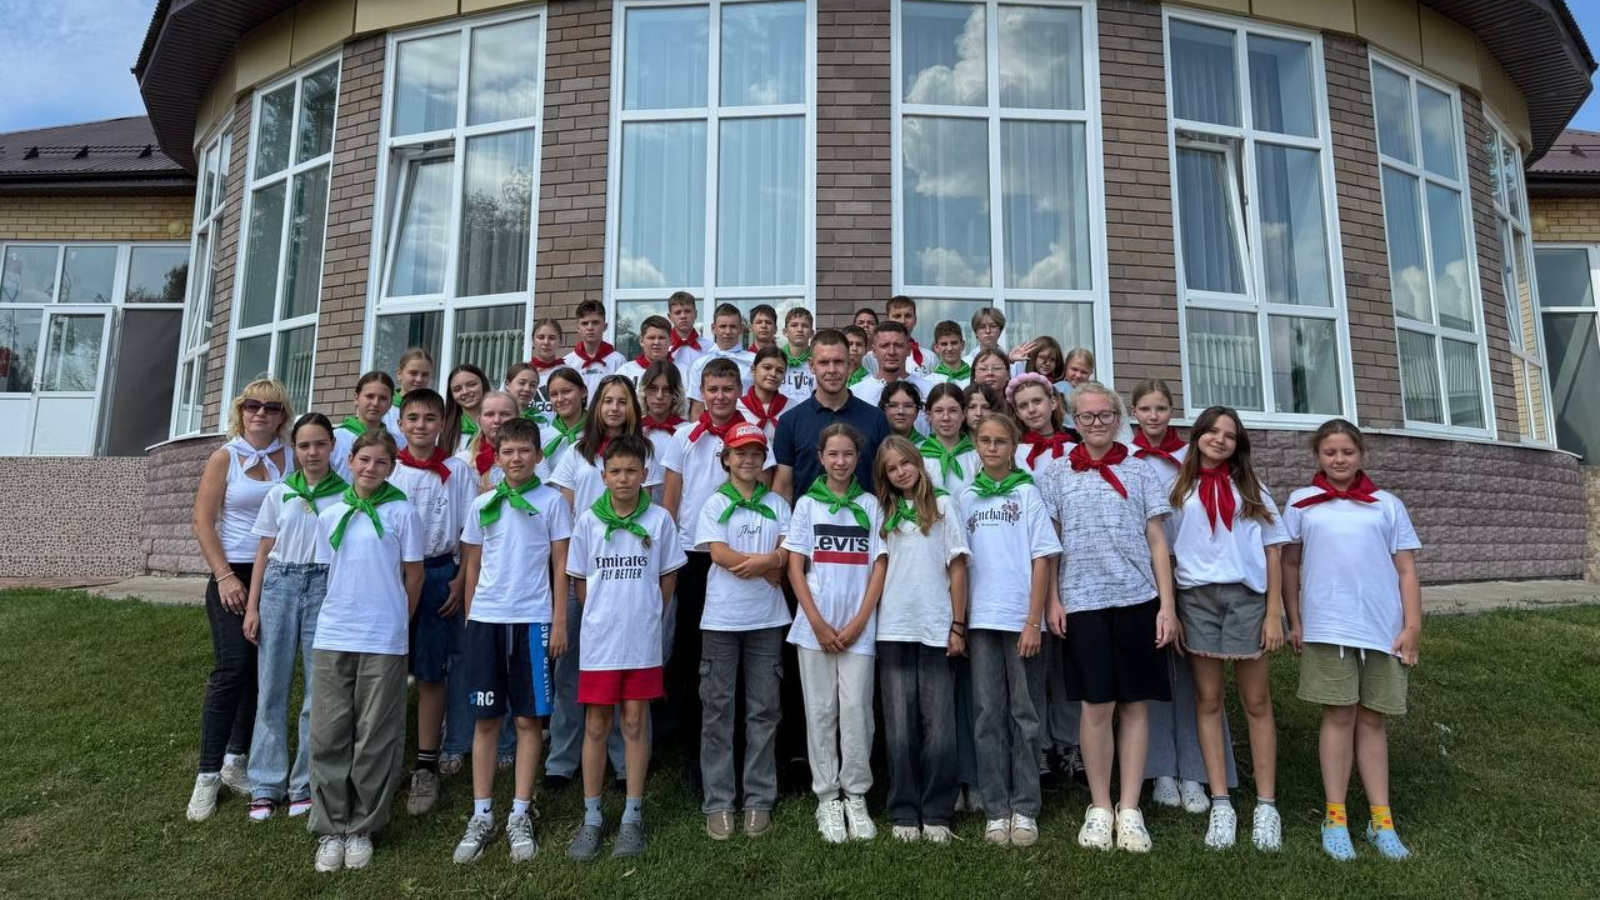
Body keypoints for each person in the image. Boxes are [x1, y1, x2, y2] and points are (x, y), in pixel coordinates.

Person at [1037, 382, 1179, 854]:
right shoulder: (1056, 473)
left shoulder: (1139, 470)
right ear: (1073, 421)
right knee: (1096, 705)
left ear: (1119, 419)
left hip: (1137, 599)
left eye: (1104, 415)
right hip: (1082, 603)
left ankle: (1130, 807)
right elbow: (1050, 544)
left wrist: (1166, 606)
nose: (1096, 423)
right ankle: (1100, 805)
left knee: (1134, 704)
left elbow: (1157, 541)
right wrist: (1052, 600)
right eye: (1086, 416)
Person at [1282, 419, 1422, 862]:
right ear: (1318, 456)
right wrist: (1294, 619)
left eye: (1347, 451)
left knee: (1373, 719)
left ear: (1361, 454)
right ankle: (1336, 816)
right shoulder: (1302, 502)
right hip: (1328, 627)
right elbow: (1289, 565)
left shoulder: (1387, 505)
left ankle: (1381, 819)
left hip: (1381, 629)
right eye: (1330, 452)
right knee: (1339, 714)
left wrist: (1412, 626)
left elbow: (1406, 570)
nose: (1339, 459)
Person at [452, 417, 573, 865]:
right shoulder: (483, 503)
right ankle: (481, 814)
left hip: (533, 620)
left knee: (527, 720)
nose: (516, 458)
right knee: (486, 720)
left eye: (524, 451)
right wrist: (470, 620)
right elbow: (473, 565)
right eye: (508, 452)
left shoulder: (552, 502)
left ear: (539, 456)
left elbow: (560, 565)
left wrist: (559, 621)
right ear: (496, 458)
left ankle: (520, 812)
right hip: (487, 620)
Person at [1169, 406, 1288, 851]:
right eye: (1212, 431)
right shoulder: (1178, 489)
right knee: (1208, 699)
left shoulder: (1252, 488)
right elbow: (1169, 550)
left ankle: (1266, 805)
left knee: (1256, 701)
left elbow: (1274, 549)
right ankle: (1221, 802)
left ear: (1239, 444)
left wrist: (1274, 612)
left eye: (1230, 435)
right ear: (1198, 435)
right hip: (1196, 600)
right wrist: (1171, 610)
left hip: (1246, 599)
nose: (1220, 440)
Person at [565, 435, 687, 861]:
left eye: (631, 471)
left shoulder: (659, 521)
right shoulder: (587, 522)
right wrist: (603, 616)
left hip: (640, 639)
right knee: (597, 723)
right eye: (615, 471)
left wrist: (649, 613)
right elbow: (581, 584)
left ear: (645, 475)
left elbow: (667, 578)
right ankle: (592, 816)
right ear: (603, 477)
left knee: (635, 722)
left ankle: (633, 816)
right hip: (600, 641)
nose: (623, 478)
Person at [308, 431, 424, 873]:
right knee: (329, 731)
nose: (371, 468)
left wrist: (398, 621)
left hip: (383, 637)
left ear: (391, 468)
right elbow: (328, 570)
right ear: (350, 461)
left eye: (381, 462)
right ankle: (331, 825)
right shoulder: (331, 513)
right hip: (335, 633)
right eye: (364, 460)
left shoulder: (402, 512)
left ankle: (362, 825)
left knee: (375, 733)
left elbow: (414, 575)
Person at [186, 378, 294, 823]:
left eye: (271, 407)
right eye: (252, 405)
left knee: (259, 668)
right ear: (241, 410)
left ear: (282, 415)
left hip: (279, 573)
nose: (261, 413)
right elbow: (202, 520)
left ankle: (237, 758)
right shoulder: (225, 457)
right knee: (231, 667)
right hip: (233, 572)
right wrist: (224, 576)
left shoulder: (291, 456)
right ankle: (207, 774)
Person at [665, 359, 774, 790]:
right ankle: (695, 753)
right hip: (694, 555)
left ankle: (746, 749)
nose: (720, 397)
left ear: (739, 390)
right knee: (694, 655)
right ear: (702, 392)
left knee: (744, 654)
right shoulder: (684, 436)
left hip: (746, 552)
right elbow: (671, 497)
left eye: (728, 389)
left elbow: (766, 489)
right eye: (712, 389)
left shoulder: (756, 433)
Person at [549, 375, 663, 788]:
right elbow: (562, 517)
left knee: (625, 671)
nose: (615, 408)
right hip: (584, 571)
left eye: (623, 401)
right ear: (596, 406)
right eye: (608, 401)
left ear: (633, 407)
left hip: (629, 576)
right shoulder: (576, 452)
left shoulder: (646, 451)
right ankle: (562, 759)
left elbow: (653, 511)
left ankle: (621, 761)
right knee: (572, 671)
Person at [1129, 379, 1232, 814]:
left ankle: (1195, 769)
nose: (1153, 416)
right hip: (1141, 570)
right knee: (1151, 669)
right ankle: (1160, 769)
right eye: (1145, 409)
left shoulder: (1190, 457)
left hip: (1189, 569)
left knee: (1193, 670)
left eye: (1161, 408)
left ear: (1171, 411)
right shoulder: (1124, 456)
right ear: (1134, 413)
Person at [959, 413, 1060, 847]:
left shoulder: (1027, 493)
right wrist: (960, 621)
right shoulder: (965, 497)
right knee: (987, 714)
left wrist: (1034, 620)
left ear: (1014, 446)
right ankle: (996, 808)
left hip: (1021, 620)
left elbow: (1042, 558)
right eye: (985, 440)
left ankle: (1025, 807)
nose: (992, 448)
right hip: (981, 621)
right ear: (976, 445)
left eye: (1001, 441)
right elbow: (959, 563)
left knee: (1026, 714)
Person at [785, 423, 887, 843]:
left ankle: (856, 794)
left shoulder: (871, 504)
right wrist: (817, 622)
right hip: (815, 629)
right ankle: (827, 797)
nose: (840, 461)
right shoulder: (808, 505)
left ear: (857, 458)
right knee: (821, 712)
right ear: (821, 458)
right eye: (833, 454)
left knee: (857, 712)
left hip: (858, 629)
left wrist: (861, 620)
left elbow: (879, 564)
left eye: (848, 454)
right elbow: (795, 567)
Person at [242, 412, 344, 822]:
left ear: (332, 446)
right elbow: (264, 551)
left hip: (323, 587)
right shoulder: (280, 493)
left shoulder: (346, 495)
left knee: (317, 692)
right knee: (272, 686)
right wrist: (252, 606)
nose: (312, 452)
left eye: (320, 444)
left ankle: (304, 782)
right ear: (294, 449)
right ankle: (266, 783)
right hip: (280, 586)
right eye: (304, 446)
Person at [693, 422, 792, 840]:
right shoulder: (715, 503)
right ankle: (718, 800)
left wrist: (771, 562)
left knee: (764, 710)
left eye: (755, 453)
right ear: (727, 459)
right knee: (717, 710)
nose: (748, 460)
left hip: (767, 619)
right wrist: (765, 565)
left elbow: (788, 550)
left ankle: (758, 797)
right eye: (740, 453)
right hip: (722, 620)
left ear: (764, 459)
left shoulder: (778, 503)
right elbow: (718, 553)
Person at [874, 436, 970, 844]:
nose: (901, 472)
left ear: (919, 462)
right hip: (894, 626)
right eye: (892, 468)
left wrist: (957, 626)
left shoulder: (944, 505)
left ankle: (937, 812)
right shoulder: (882, 511)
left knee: (939, 725)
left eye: (906, 464)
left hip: (935, 626)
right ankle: (904, 810)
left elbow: (958, 569)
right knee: (899, 725)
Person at [393, 387, 481, 811]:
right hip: (391, 576)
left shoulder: (457, 471)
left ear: (443, 423)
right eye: (413, 418)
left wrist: (461, 579)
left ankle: (426, 765)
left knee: (432, 670)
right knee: (388, 667)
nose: (421, 426)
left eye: (430, 418)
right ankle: (385, 757)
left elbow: (470, 532)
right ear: (400, 423)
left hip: (440, 573)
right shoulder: (388, 468)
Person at [771, 329, 891, 502]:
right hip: (807, 519)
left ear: (849, 365)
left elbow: (886, 481)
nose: (832, 370)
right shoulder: (790, 422)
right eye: (824, 362)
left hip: (864, 517)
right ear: (811, 366)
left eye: (838, 362)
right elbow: (783, 487)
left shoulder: (876, 419)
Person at [687, 303, 756, 413]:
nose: (728, 332)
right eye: (723, 326)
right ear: (713, 328)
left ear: (741, 329)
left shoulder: (754, 362)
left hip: (746, 421)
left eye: (733, 326)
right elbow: (697, 405)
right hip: (710, 422)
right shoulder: (699, 364)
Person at [850, 320, 934, 408]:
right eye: (884, 346)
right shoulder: (855, 394)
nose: (892, 352)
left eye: (898, 345)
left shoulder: (928, 391)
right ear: (874, 351)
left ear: (908, 350)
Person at [332, 371, 396, 481]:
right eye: (370, 396)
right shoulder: (336, 438)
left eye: (383, 398)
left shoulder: (396, 441)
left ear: (390, 403)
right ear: (356, 398)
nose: (375, 403)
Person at [638, 360, 688, 500]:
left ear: (675, 394)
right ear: (644, 392)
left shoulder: (686, 431)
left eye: (666, 390)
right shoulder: (633, 428)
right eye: (653, 389)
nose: (659, 396)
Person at [920, 382, 979, 497]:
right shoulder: (918, 459)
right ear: (928, 415)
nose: (946, 418)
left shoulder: (977, 458)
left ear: (964, 414)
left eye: (953, 410)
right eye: (938, 411)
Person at [1011, 373, 1076, 475]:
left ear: (1053, 403)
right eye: (1023, 406)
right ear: (1018, 413)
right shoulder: (1014, 455)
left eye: (1037, 401)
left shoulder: (1074, 450)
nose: (1031, 410)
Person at [456, 391, 520, 488]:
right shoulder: (462, 462)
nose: (497, 420)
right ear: (479, 421)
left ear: (518, 419)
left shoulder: (530, 459)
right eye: (489, 414)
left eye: (505, 414)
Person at [564, 299, 625, 396]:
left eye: (595, 323)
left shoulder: (618, 360)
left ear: (605, 326)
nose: (590, 328)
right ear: (578, 328)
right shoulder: (567, 362)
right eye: (584, 323)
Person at [538, 367, 588, 482]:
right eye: (554, 394)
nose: (560, 399)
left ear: (583, 392)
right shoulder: (540, 437)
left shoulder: (598, 433)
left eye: (566, 391)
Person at [381, 348, 432, 446]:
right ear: (399, 374)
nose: (419, 379)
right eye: (413, 373)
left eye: (425, 374)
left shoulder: (435, 410)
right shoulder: (385, 409)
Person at [739, 346, 791, 442]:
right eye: (767, 368)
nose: (773, 374)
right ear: (753, 370)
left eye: (779, 371)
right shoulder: (737, 407)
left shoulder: (792, 408)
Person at [616, 315, 676, 391]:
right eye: (651, 338)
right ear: (641, 341)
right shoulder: (625, 372)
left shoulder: (683, 370)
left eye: (661, 338)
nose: (656, 342)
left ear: (670, 341)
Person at [443, 364, 492, 454]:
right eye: (457, 389)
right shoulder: (443, 427)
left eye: (472, 385)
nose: (465, 391)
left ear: (483, 384)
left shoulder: (500, 422)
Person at [884, 295, 932, 376]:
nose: (902, 321)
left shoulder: (930, 357)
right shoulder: (873, 357)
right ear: (887, 319)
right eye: (897, 316)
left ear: (915, 320)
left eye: (908, 316)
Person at [779, 307, 816, 401]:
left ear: (811, 333)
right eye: (794, 325)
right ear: (785, 332)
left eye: (805, 326)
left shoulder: (818, 360)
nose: (799, 329)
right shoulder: (776, 359)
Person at [667, 290, 706, 375]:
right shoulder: (663, 348)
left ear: (696, 314)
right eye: (677, 312)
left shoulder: (710, 348)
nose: (683, 316)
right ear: (670, 317)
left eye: (687, 311)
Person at [878, 380, 927, 444]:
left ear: (917, 411)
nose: (901, 411)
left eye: (908, 406)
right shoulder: (873, 445)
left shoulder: (927, 447)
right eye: (893, 405)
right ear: (883, 409)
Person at [927, 320, 971, 386]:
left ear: (962, 345)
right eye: (944, 344)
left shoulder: (976, 378)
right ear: (936, 347)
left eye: (954, 343)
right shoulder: (928, 382)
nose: (950, 348)